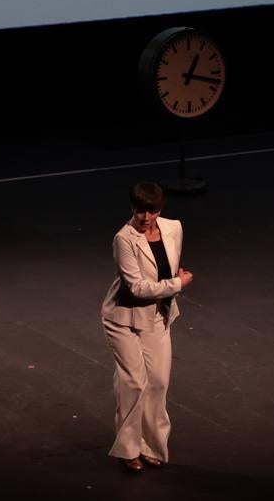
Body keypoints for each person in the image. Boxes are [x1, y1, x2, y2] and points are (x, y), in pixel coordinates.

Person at [99, 181, 192, 472]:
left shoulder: (173, 228)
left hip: (157, 316)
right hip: (123, 319)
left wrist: (172, 277)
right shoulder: (123, 238)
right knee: (133, 382)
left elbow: (167, 262)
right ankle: (128, 448)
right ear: (133, 209)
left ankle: (151, 445)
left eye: (151, 211)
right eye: (140, 211)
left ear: (159, 210)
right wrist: (177, 283)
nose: (145, 218)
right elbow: (137, 287)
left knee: (158, 382)